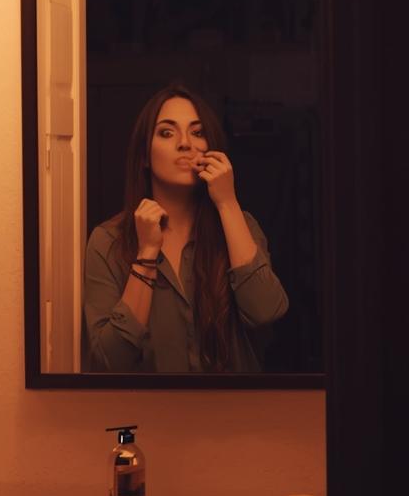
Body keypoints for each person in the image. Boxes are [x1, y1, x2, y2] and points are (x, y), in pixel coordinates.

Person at [83, 84, 287, 373]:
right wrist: (146, 254)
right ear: (144, 156)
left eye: (197, 132)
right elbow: (109, 360)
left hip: (237, 415)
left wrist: (227, 202)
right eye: (167, 132)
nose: (185, 143)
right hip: (150, 416)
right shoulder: (108, 241)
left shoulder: (239, 225)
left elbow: (266, 311)